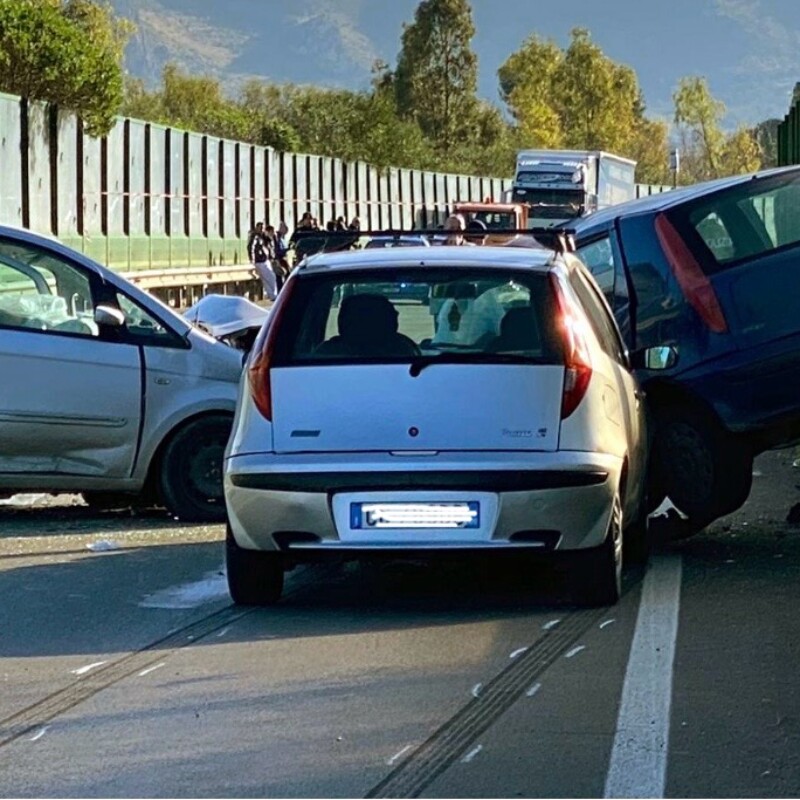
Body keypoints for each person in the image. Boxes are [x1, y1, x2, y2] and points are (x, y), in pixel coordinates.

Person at [248, 221, 277, 301]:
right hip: (260, 261)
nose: (261, 230)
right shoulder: (255, 237)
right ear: (257, 228)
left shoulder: (263, 237)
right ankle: (273, 295)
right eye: (260, 228)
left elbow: (269, 247)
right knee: (271, 277)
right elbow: (251, 247)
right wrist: (252, 259)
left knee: (267, 279)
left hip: (264, 260)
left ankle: (272, 295)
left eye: (263, 228)